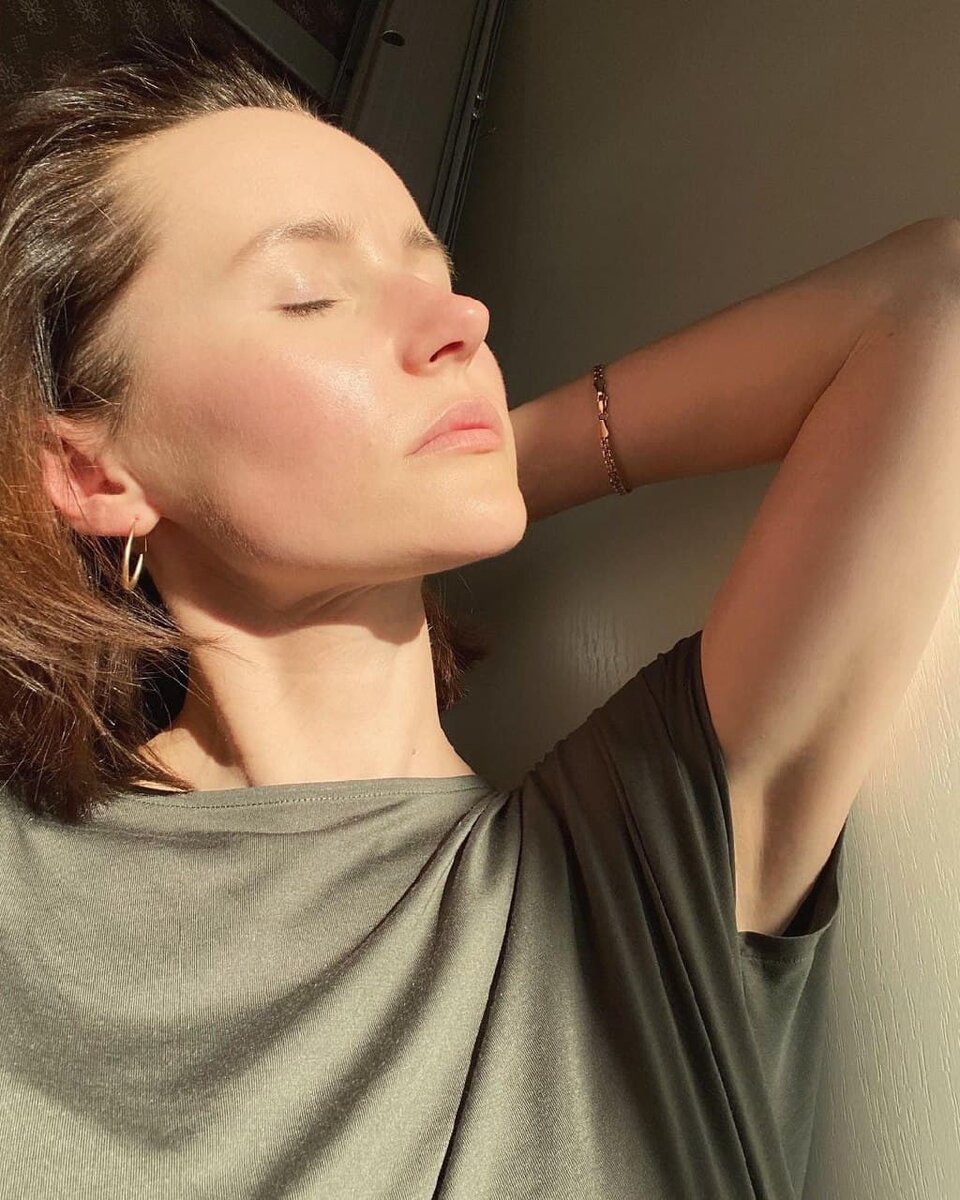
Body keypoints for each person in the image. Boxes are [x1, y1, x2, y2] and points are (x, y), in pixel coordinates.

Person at [0, 32, 845, 1200]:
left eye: (435, 277)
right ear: (95, 473)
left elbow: (931, 311)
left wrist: (481, 462)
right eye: (310, 295)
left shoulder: (631, 873)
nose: (465, 321)